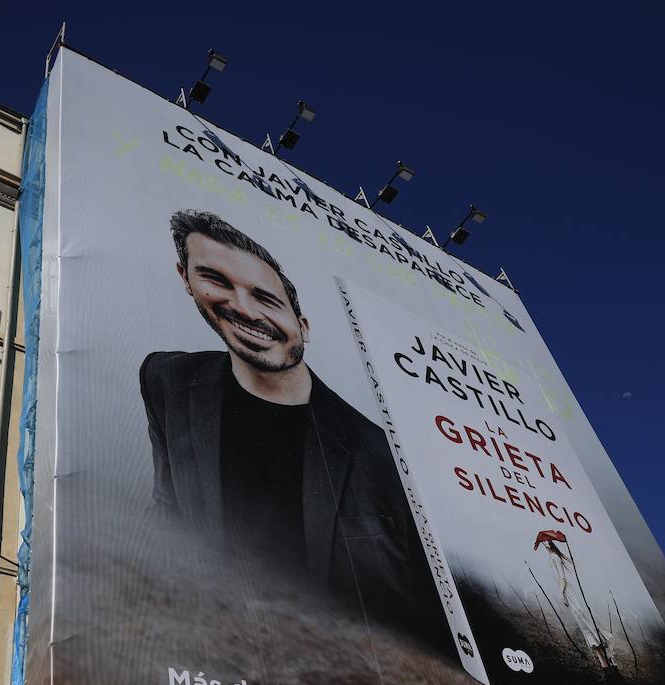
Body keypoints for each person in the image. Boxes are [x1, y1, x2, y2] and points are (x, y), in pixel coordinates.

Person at [140, 209, 445, 649]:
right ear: (185, 279)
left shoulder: (383, 456)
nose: (242, 308)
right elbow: (167, 511)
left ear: (303, 326)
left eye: (266, 299)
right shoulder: (165, 380)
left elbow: (423, 619)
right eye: (216, 280)